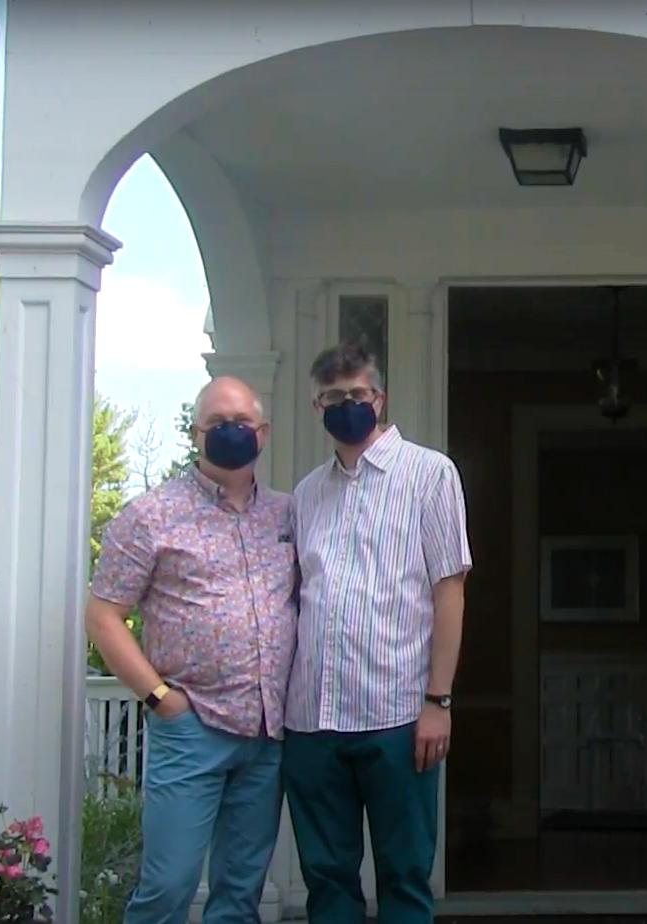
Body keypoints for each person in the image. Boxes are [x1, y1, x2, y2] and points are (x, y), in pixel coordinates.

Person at [86, 376, 297, 924]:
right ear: (195, 433)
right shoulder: (150, 515)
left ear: (263, 433)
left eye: (242, 424)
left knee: (239, 893)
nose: (230, 434)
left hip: (266, 735)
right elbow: (104, 615)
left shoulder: (287, 515)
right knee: (168, 885)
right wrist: (159, 698)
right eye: (216, 425)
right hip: (191, 729)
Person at [283, 342, 472, 924]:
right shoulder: (306, 494)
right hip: (312, 718)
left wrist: (438, 702)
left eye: (357, 395)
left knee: (405, 876)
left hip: (398, 715)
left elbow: (449, 590)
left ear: (379, 398)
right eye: (333, 398)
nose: (347, 405)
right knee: (328, 882)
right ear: (318, 407)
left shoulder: (430, 473)